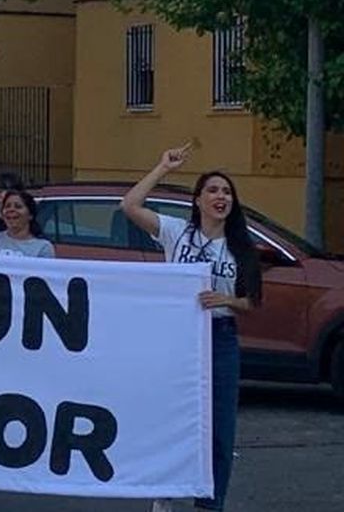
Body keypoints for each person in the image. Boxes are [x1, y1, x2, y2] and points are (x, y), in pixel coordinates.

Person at [123, 145, 259, 512]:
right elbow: (130, 206)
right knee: (171, 419)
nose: (221, 197)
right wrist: (162, 167)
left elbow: (252, 302)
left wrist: (225, 300)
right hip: (178, 339)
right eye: (213, 190)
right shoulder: (176, 233)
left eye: (227, 192)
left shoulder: (240, 248)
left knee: (218, 430)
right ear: (198, 200)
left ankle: (209, 504)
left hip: (220, 339)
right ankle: (165, 492)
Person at [0, 189, 54, 258]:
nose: (11, 209)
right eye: (7, 206)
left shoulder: (43, 247)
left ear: (30, 215)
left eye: (18, 206)